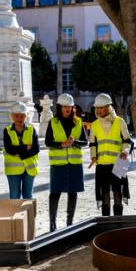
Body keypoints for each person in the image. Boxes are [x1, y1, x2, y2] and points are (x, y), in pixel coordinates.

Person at [46, 93, 88, 232]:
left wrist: (75, 142)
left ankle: (69, 223)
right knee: (55, 192)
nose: (67, 109)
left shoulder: (78, 122)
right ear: (59, 107)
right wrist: (61, 144)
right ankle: (52, 224)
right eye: (64, 106)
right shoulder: (53, 122)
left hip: (74, 163)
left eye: (69, 106)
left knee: (72, 192)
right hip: (58, 164)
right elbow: (48, 142)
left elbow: (85, 142)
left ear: (72, 107)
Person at [89, 93, 132, 216]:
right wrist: (93, 156)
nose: (99, 110)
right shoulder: (95, 124)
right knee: (105, 193)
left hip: (118, 163)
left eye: (101, 107)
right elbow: (93, 143)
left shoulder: (119, 121)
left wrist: (125, 151)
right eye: (97, 108)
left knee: (118, 192)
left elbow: (127, 140)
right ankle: (106, 220)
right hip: (102, 164)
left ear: (108, 107)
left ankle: (118, 219)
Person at [3, 101, 39, 199]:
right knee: (14, 196)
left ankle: (28, 214)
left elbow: (36, 149)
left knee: (28, 196)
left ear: (26, 116)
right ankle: (15, 214)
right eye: (16, 116)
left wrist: (20, 154)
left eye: (22, 116)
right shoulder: (7, 130)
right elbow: (9, 149)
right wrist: (26, 147)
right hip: (13, 170)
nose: (19, 118)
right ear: (12, 116)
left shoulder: (32, 130)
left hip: (29, 168)